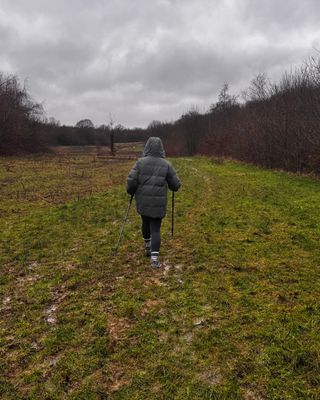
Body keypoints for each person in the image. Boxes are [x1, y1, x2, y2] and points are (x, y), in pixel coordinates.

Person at [126, 137, 181, 268]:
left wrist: (131, 191)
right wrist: (173, 186)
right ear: (161, 148)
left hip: (143, 201)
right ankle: (154, 259)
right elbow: (176, 185)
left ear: (147, 147)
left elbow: (131, 181)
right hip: (159, 203)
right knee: (155, 228)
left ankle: (147, 247)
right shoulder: (166, 164)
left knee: (145, 222)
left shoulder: (140, 162)